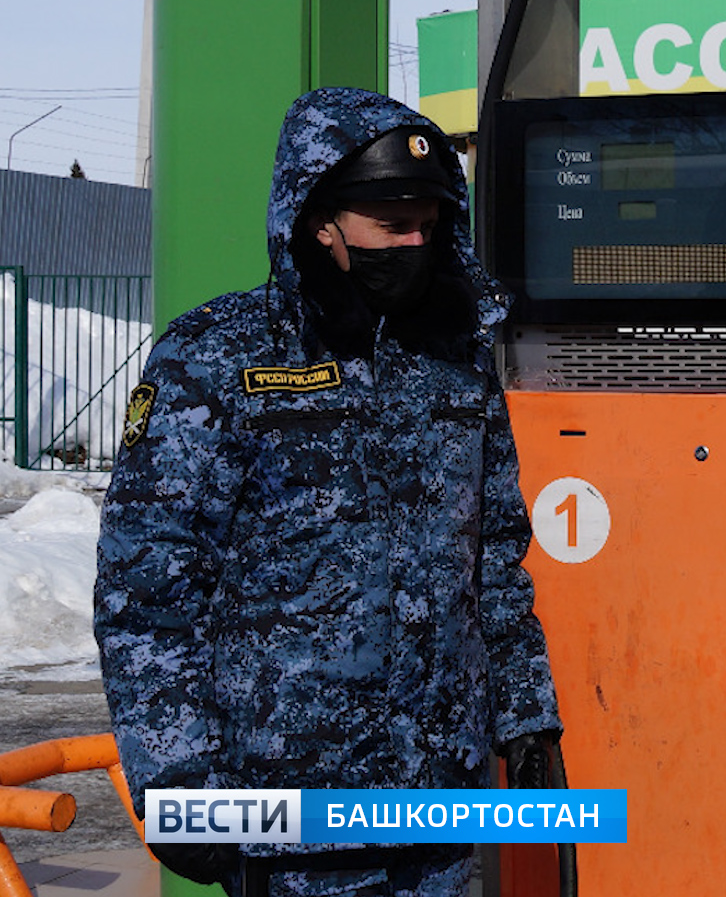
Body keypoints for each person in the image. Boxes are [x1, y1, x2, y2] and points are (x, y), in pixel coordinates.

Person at [94, 87, 564, 897]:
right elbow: (149, 586)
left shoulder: (453, 359)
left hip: (439, 807)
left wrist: (526, 720)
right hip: (287, 812)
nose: (415, 241)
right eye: (391, 224)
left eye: (428, 220)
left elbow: (492, 559)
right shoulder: (215, 360)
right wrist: (173, 772)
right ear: (320, 221)